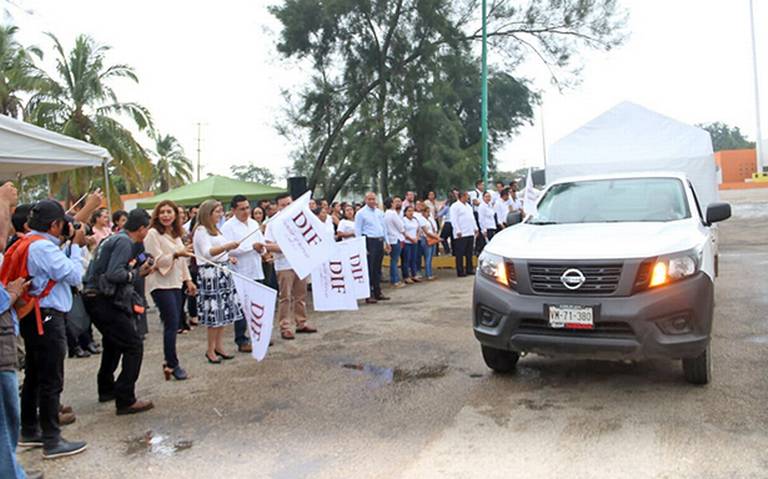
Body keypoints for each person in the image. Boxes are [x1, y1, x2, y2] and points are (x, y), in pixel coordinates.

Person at [15, 200, 88, 459]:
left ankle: (29, 429)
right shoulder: (44, 248)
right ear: (55, 225)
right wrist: (77, 246)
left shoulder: (28, 242)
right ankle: (52, 439)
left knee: (35, 374)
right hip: (47, 316)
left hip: (33, 315)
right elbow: (74, 275)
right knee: (51, 379)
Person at [82, 209, 154, 418]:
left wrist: (146, 258)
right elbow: (116, 273)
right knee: (133, 345)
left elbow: (134, 258)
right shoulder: (123, 242)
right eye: (146, 228)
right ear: (141, 229)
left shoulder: (117, 239)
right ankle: (126, 399)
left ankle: (106, 388)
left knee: (113, 344)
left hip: (95, 297)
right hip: (103, 299)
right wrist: (136, 274)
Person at [144, 201, 197, 381]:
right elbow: (156, 261)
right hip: (160, 283)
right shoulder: (152, 234)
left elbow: (182, 260)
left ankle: (170, 362)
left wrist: (188, 280)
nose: (166, 215)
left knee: (175, 323)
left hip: (175, 282)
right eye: (163, 212)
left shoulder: (175, 235)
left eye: (170, 212)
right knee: (172, 323)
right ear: (157, 215)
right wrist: (176, 254)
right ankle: (172, 363)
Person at [192, 200, 245, 362]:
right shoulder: (201, 230)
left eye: (221, 211)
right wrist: (226, 247)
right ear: (208, 213)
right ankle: (210, 349)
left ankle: (219, 346)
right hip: (210, 273)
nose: (220, 214)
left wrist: (229, 256)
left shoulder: (216, 230)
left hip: (222, 271)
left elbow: (219, 252)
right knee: (214, 314)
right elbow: (207, 253)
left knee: (223, 312)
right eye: (217, 211)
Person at [264, 193, 317, 339]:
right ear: (277, 207)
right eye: (283, 205)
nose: (287, 207)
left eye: (289, 203)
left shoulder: (300, 218)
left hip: (300, 261)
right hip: (284, 264)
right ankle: (285, 326)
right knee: (285, 297)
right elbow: (268, 244)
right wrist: (287, 247)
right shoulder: (273, 223)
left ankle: (301, 322)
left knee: (300, 295)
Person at [222, 195, 268, 354]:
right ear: (233, 210)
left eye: (247, 208)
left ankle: (258, 335)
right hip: (240, 271)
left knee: (257, 304)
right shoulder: (228, 227)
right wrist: (251, 247)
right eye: (242, 209)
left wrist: (262, 249)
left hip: (256, 269)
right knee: (242, 307)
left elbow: (262, 243)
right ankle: (241, 339)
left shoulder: (254, 223)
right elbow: (228, 248)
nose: (246, 211)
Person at [355, 192, 391, 303]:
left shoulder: (379, 213)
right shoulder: (361, 213)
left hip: (379, 240)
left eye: (373, 199)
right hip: (369, 241)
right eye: (369, 199)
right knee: (369, 269)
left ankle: (377, 291)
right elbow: (358, 230)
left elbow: (383, 228)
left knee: (377, 269)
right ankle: (368, 294)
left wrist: (387, 242)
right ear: (365, 200)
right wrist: (361, 246)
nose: (372, 201)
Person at [450, 191, 477, 277]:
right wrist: (457, 230)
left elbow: (472, 218)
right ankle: (460, 271)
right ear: (462, 196)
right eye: (466, 196)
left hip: (469, 232)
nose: (468, 198)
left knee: (469, 252)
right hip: (461, 233)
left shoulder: (468, 206)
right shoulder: (455, 206)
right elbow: (454, 219)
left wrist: (475, 228)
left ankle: (469, 269)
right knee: (460, 253)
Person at [383, 197, 405, 288]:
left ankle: (393, 279)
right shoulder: (393, 213)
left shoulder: (385, 214)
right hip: (396, 238)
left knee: (393, 260)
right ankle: (395, 280)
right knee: (395, 261)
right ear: (392, 204)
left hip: (390, 238)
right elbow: (400, 226)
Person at [401, 206, 421, 284]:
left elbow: (419, 230)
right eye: (409, 211)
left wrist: (416, 237)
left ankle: (414, 274)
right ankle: (406, 276)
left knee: (414, 259)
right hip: (407, 242)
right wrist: (410, 239)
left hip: (414, 242)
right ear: (405, 212)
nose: (411, 213)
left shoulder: (415, 220)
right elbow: (403, 231)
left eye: (412, 211)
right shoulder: (403, 220)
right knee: (406, 260)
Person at [419, 206, 439, 281]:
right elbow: (426, 232)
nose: (428, 214)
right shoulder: (422, 220)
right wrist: (436, 237)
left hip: (432, 238)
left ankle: (429, 272)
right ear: (423, 212)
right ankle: (428, 274)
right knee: (427, 257)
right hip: (426, 238)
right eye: (427, 212)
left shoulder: (429, 219)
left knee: (430, 257)